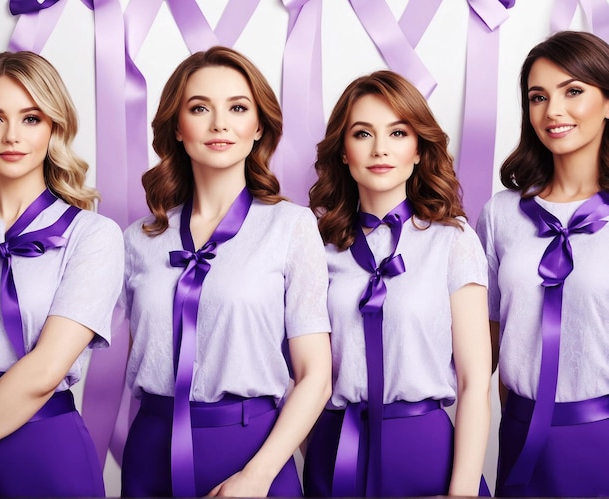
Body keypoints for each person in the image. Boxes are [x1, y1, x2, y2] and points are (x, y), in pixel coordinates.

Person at [120, 46, 332, 497]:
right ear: (177, 127)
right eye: (200, 108)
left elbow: (316, 374)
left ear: (259, 126)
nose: (219, 124)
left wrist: (257, 477)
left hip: (252, 447)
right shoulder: (138, 239)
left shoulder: (291, 227)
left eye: (237, 108)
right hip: (151, 447)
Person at [303, 70, 492, 497]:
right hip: (337, 449)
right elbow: (299, 372)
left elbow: (474, 381)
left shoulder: (453, 241)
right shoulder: (316, 244)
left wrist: (461, 491)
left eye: (398, 132)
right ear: (344, 152)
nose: (381, 149)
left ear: (420, 149)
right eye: (363, 133)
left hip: (426, 449)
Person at [0, 51, 124, 497]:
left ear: (54, 127)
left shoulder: (94, 235)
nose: (11, 136)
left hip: (45, 447)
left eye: (30, 118)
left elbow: (46, 369)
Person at [477, 30, 609, 497]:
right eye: (538, 96)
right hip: (519, 429)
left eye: (573, 90)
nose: (553, 111)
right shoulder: (500, 214)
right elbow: (485, 345)